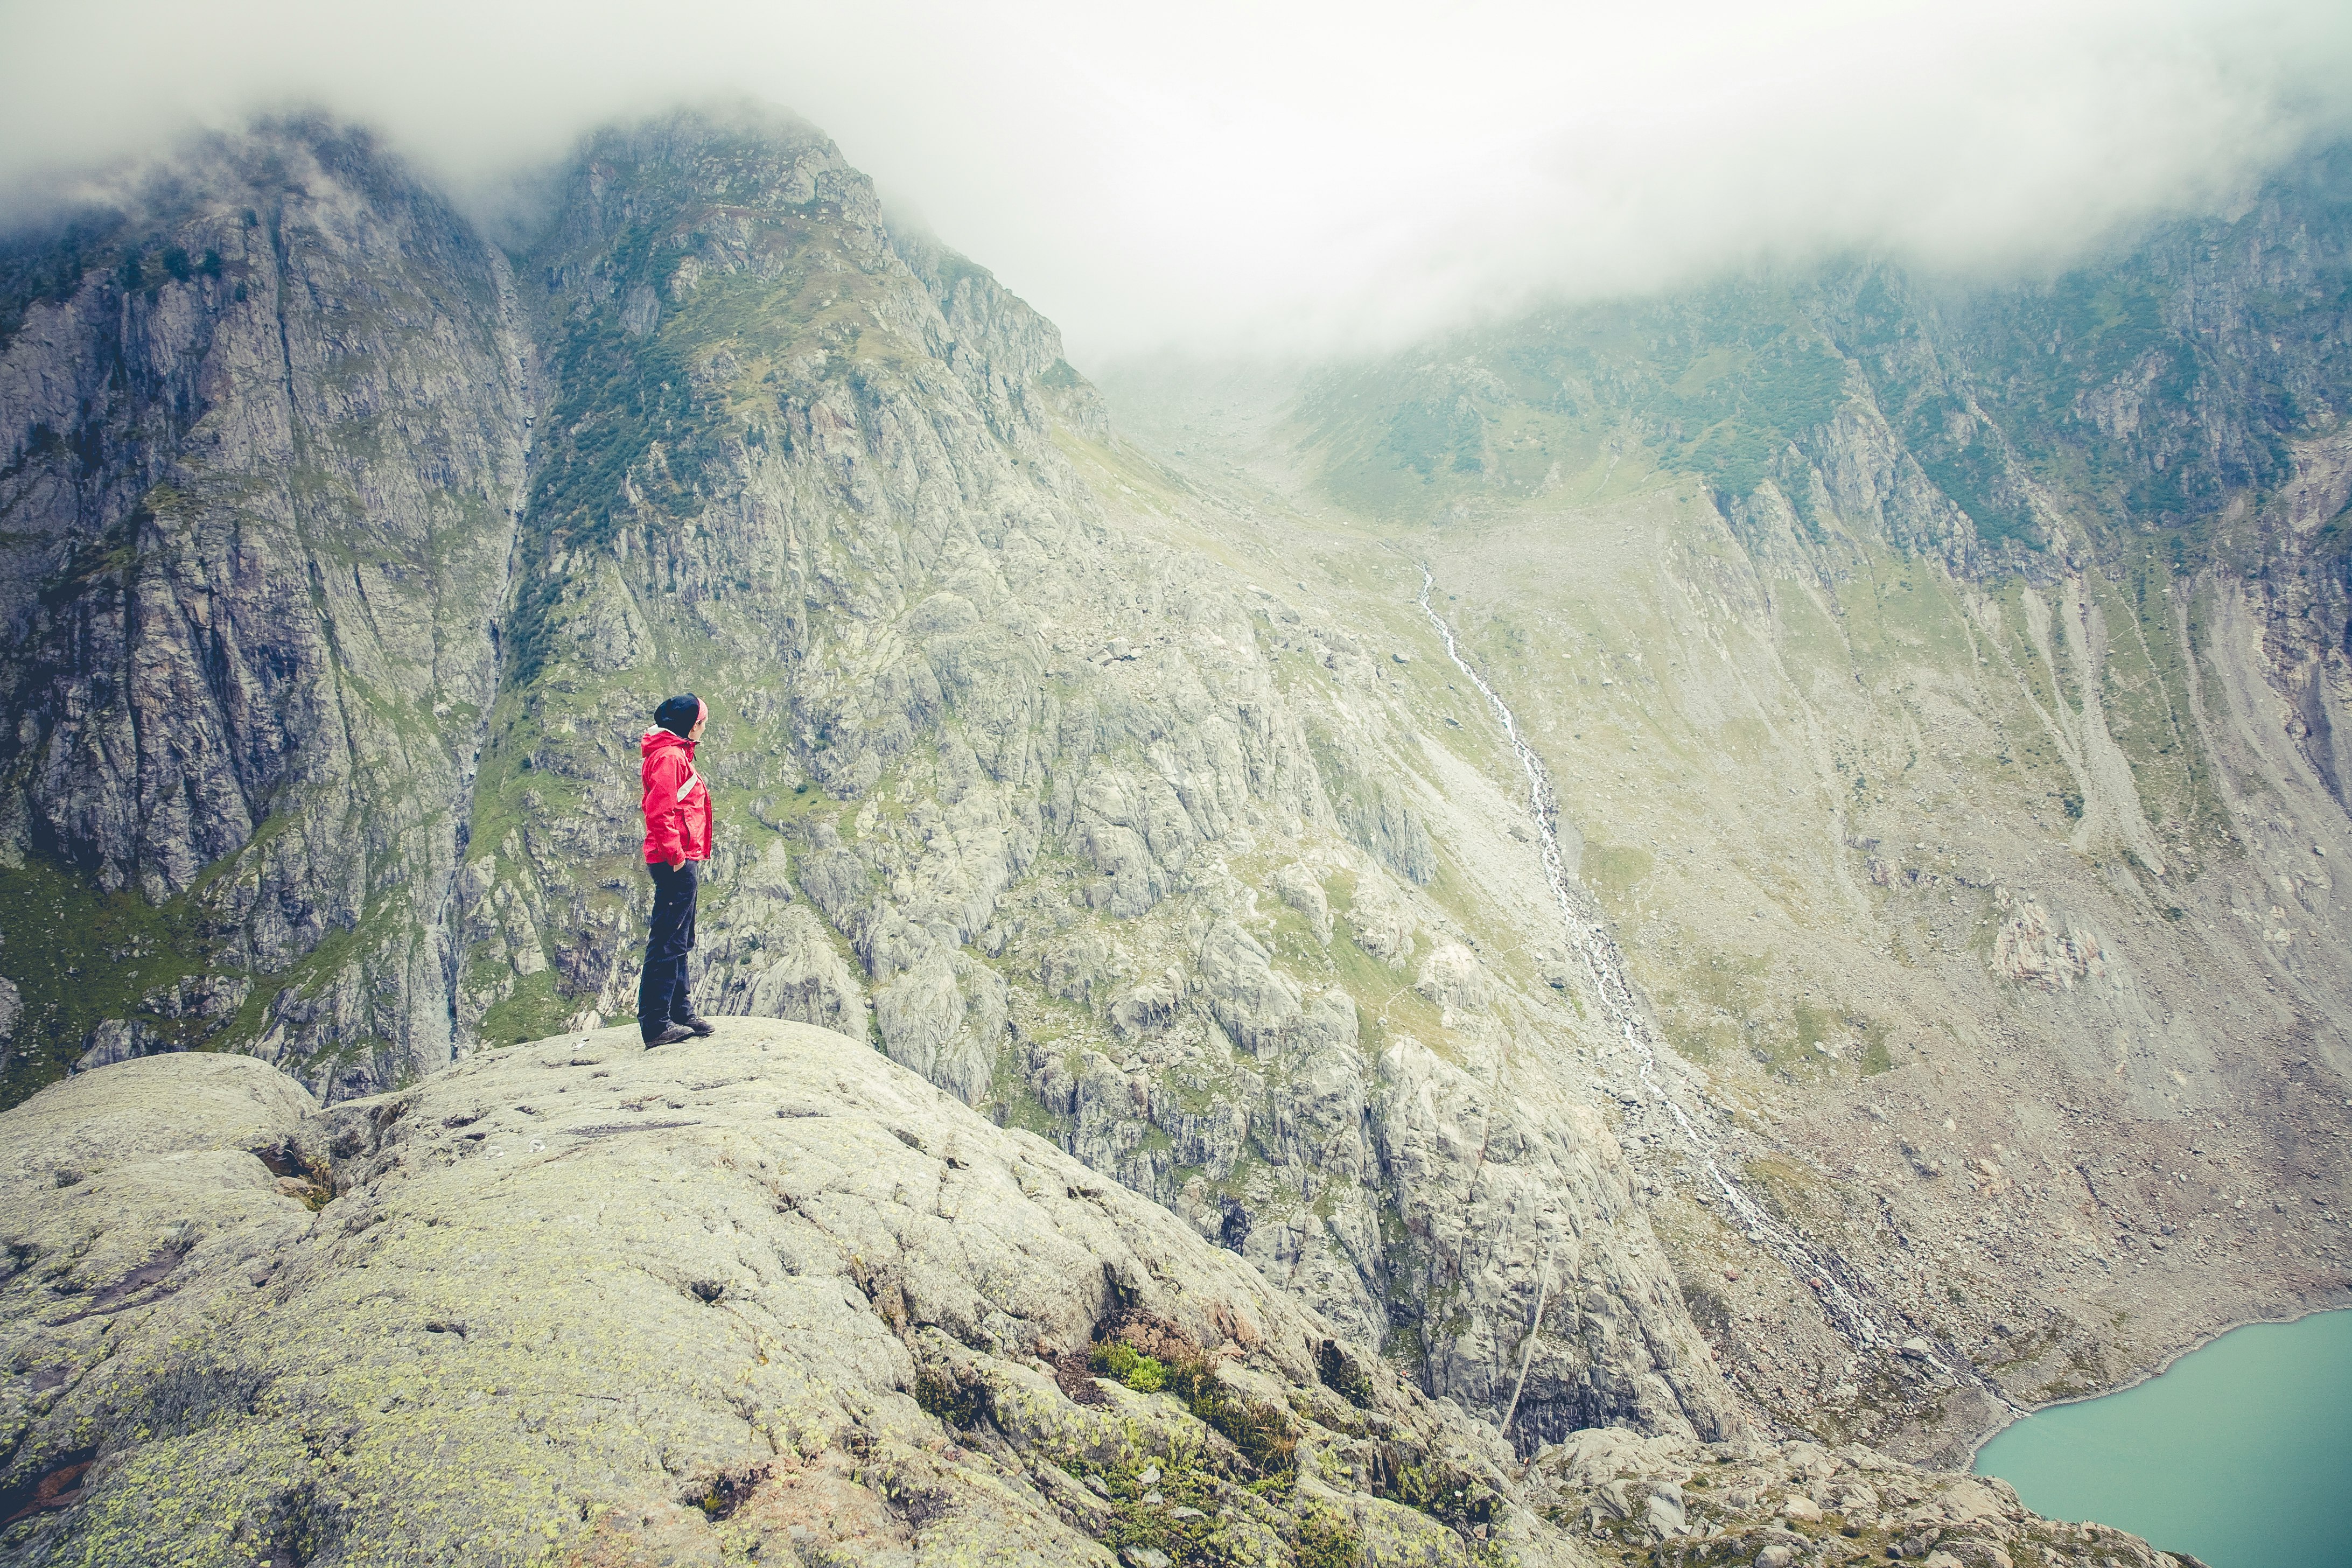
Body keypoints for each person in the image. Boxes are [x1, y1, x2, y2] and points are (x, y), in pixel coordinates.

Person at [638, 694, 717, 1046]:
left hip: (684, 858)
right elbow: (659, 812)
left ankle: (680, 1013)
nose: (704, 727)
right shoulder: (670, 757)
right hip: (675, 862)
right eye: (701, 721)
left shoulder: (677, 752)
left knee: (680, 938)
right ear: (689, 724)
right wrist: (678, 859)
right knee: (668, 941)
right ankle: (656, 1023)